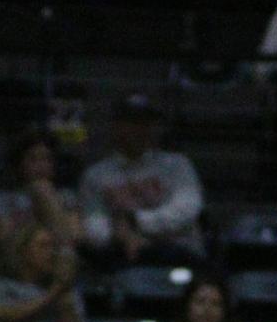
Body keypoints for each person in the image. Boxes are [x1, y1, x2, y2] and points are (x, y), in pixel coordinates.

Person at [78, 96, 206, 263]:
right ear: (116, 126)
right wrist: (120, 235)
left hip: (180, 254)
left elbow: (186, 210)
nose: (139, 130)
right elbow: (93, 224)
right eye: (132, 122)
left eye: (145, 123)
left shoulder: (177, 165)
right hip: (123, 258)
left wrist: (134, 222)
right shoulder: (95, 175)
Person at [0, 128, 83, 258]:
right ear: (20, 164)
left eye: (47, 159)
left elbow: (73, 239)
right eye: (33, 159)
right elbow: (6, 245)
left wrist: (47, 199)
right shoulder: (2, 199)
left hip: (59, 262)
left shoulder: (67, 196)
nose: (41, 165)